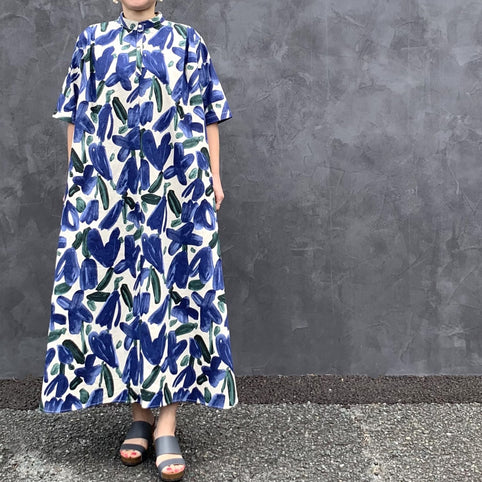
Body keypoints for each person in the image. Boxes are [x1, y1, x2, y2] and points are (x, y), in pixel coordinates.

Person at [40, 0, 238, 480]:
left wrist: (213, 176)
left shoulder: (187, 41)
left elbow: (209, 113)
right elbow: (75, 116)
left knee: (171, 295)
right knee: (124, 295)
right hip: (109, 191)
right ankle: (139, 418)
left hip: (174, 187)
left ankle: (166, 422)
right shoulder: (92, 42)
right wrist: (78, 181)